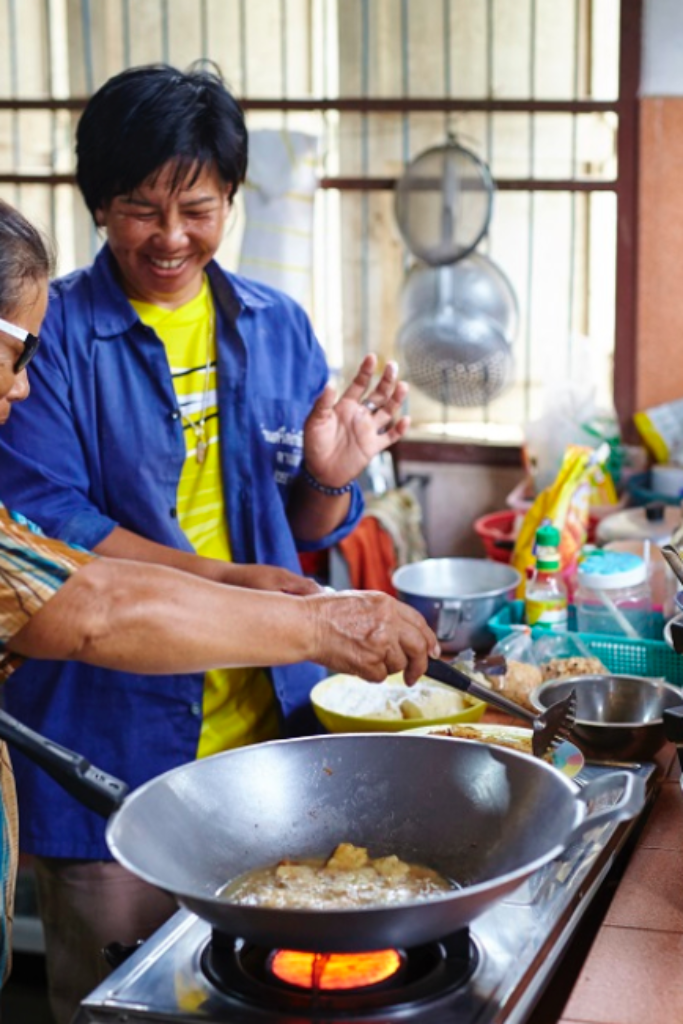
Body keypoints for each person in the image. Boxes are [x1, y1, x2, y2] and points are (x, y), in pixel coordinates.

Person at [0, 65, 420, 1021]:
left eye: (197, 206)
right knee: (121, 999)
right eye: (140, 209)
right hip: (106, 741)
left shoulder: (275, 327)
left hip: (259, 742)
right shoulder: (46, 339)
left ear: (231, 197)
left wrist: (328, 474)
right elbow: (57, 548)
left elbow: (304, 526)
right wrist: (249, 589)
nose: (172, 236)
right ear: (98, 207)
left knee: (252, 995)